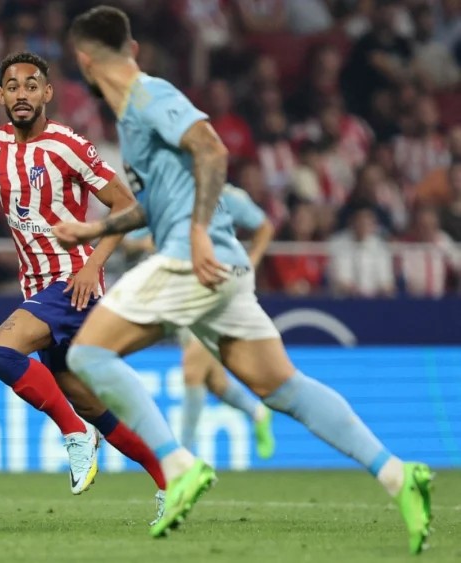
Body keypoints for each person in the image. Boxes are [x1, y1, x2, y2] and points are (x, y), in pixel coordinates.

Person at [56, 6, 433, 552]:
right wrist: (94, 227)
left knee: (87, 356)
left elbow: (212, 147)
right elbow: (155, 204)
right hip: (224, 270)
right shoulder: (133, 115)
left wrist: (201, 229)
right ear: (131, 49)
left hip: (193, 257)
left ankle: (177, 463)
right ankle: (398, 475)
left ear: (84, 62)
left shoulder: (150, 96)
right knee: (284, 388)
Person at [0, 52, 167, 500]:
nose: (22, 94)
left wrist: (93, 264)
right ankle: (171, 478)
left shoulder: (68, 144)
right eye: (13, 86)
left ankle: (74, 436)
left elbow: (127, 206)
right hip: (38, 288)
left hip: (72, 281)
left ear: (47, 93)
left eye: (32, 85)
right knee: (96, 407)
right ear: (1, 96)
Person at [130, 185, 277, 459]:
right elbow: (128, 238)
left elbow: (264, 226)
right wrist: (144, 242)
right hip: (181, 291)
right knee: (216, 383)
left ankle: (184, 457)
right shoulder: (166, 195)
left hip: (216, 290)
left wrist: (251, 261)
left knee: (192, 371)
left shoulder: (226, 195)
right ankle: (257, 412)